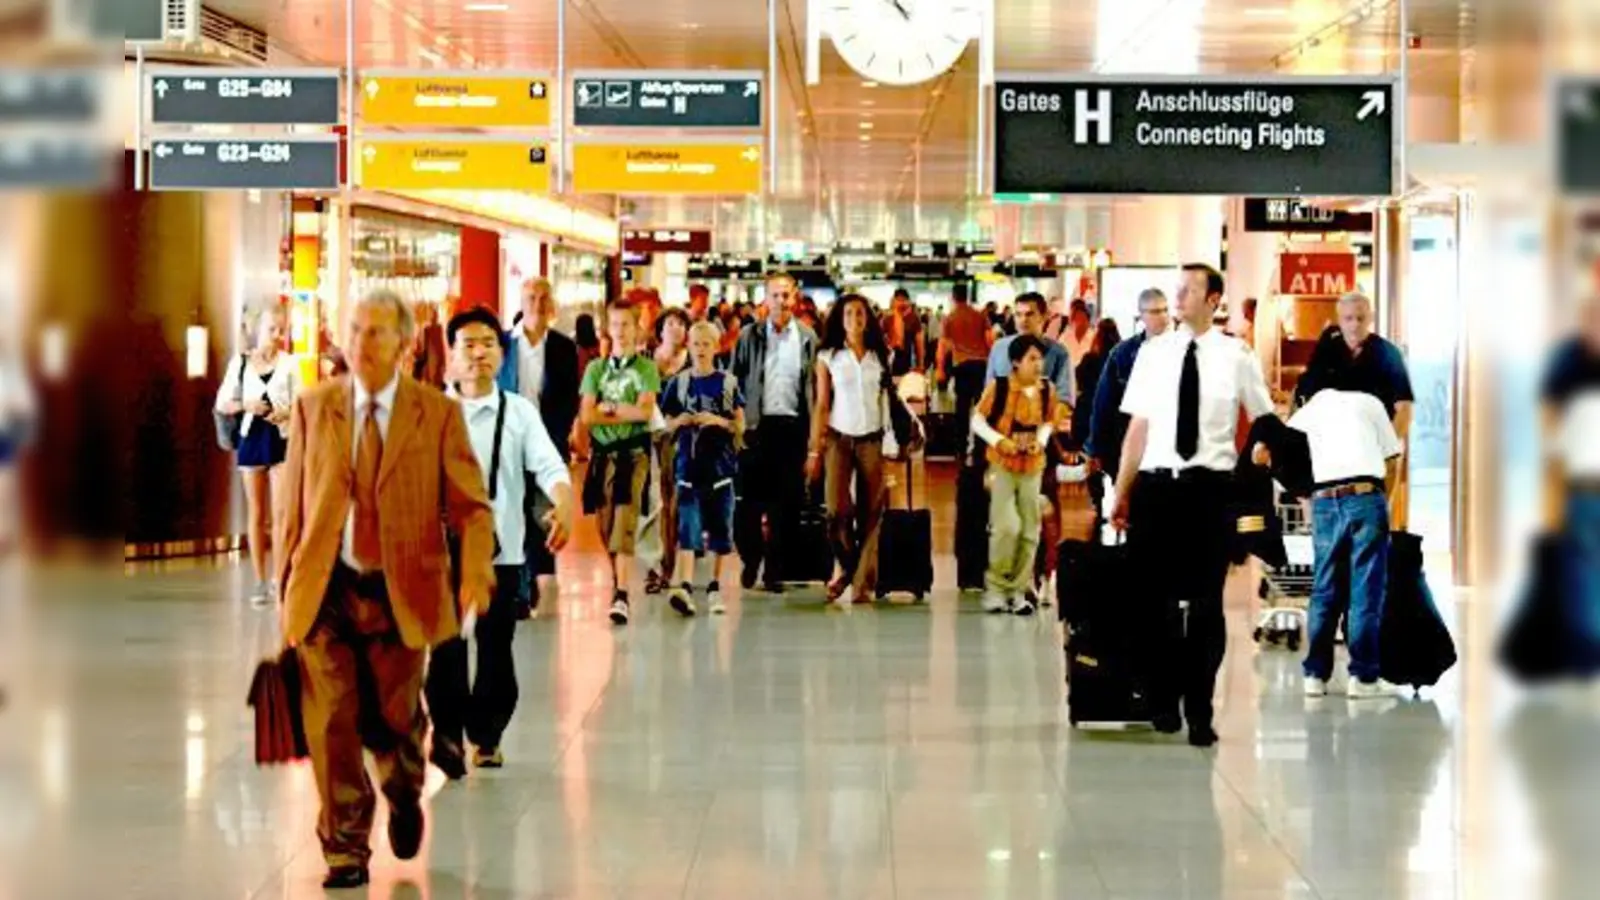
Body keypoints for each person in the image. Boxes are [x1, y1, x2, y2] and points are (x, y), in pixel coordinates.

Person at [275, 289, 495, 890]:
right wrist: (285, 587)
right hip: (328, 589)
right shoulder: (314, 407)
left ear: (404, 343)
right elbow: (291, 509)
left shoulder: (436, 413)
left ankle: (403, 791)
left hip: (402, 590)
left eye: (375, 332)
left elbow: (472, 508)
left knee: (394, 721)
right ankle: (345, 848)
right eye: (354, 330)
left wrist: (476, 572)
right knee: (332, 723)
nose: (361, 343)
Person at [1111, 264, 1274, 748]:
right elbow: (1138, 429)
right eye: (1177, 288)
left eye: (1189, 290)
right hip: (1157, 488)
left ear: (1213, 299)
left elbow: (1263, 422)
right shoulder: (1153, 353)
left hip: (1210, 491)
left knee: (1206, 603)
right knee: (1155, 602)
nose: (1179, 296)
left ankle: (1200, 708)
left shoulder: (1236, 355)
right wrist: (1122, 490)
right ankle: (1162, 699)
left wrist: (1261, 469)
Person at [427, 308, 575, 776]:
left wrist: (564, 503)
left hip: (502, 551)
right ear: (451, 355)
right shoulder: (429, 413)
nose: (478, 353)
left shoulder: (519, 412)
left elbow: (549, 466)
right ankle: (447, 737)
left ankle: (487, 734)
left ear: (501, 353)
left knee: (495, 648)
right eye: (468, 344)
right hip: (440, 553)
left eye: (488, 343)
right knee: (445, 650)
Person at [1256, 385, 1403, 698]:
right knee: (1365, 591)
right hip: (1365, 495)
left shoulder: (1304, 414)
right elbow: (1392, 460)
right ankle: (1363, 679)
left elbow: (1270, 459)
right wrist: (1382, 505)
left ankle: (1315, 676)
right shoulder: (1370, 401)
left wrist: (1304, 493)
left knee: (1324, 590)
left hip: (1323, 500)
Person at [497, 277, 581, 618]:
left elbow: (569, 399)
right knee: (513, 512)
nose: (537, 303)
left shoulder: (563, 348)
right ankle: (522, 584)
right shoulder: (504, 345)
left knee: (541, 513)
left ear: (551, 305)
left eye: (544, 297)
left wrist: (553, 438)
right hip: (508, 443)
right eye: (531, 297)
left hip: (546, 442)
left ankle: (533, 574)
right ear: (521, 302)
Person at [730, 272, 819, 593]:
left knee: (786, 504)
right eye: (775, 295)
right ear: (766, 299)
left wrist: (813, 442)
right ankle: (751, 557)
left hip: (792, 428)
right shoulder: (749, 336)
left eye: (786, 295)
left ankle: (775, 569)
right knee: (748, 505)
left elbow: (814, 389)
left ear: (795, 298)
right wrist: (737, 424)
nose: (781, 301)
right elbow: (734, 381)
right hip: (756, 427)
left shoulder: (808, 338)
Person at [807, 294, 892, 608]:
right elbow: (822, 404)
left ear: (867, 319)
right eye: (848, 314)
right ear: (839, 320)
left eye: (860, 313)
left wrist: (892, 444)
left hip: (872, 439)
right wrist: (814, 449)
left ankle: (862, 584)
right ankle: (848, 566)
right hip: (838, 438)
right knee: (835, 510)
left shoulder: (881, 355)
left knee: (872, 512)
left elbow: (887, 400)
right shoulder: (828, 355)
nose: (854, 319)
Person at [579, 300, 661, 625]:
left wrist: (608, 408)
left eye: (626, 324)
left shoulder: (646, 369)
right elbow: (587, 415)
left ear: (636, 328)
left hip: (634, 454)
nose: (621, 331)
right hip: (602, 455)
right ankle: (618, 580)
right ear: (607, 329)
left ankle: (622, 594)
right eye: (615, 324)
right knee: (605, 524)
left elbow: (644, 411)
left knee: (625, 519)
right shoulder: (596, 369)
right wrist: (622, 410)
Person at [659, 321, 746, 616]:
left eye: (706, 344)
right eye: (696, 344)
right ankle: (684, 585)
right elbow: (663, 423)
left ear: (716, 347)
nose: (700, 349)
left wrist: (717, 421)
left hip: (720, 469)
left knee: (721, 531)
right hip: (688, 467)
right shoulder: (679, 383)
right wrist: (678, 422)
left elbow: (740, 425)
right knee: (688, 527)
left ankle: (714, 586)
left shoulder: (728, 383)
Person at [971, 335, 1062, 616]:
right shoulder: (998, 387)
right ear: (1016, 362)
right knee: (1006, 526)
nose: (1038, 364)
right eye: (1031, 358)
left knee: (1030, 529)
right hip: (1002, 465)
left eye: (1040, 358)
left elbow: (1049, 421)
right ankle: (997, 588)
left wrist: (1041, 442)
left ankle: (1019, 591)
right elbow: (977, 420)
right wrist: (999, 441)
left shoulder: (1047, 390)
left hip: (1033, 467)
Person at [215, 303, 297, 607]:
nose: (276, 335)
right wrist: (247, 405)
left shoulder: (289, 363)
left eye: (281, 330)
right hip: (251, 438)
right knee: (257, 513)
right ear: (258, 330)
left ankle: (279, 578)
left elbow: (300, 403)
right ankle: (261, 581)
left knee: (281, 514)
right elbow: (223, 403)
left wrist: (284, 412)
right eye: (271, 329)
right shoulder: (240, 363)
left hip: (280, 437)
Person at [1540, 296, 1600, 676]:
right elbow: (1550, 424)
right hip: (1583, 488)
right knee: (1583, 574)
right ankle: (1586, 654)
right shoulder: (1568, 360)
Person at [1087, 288, 1171, 488]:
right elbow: (1104, 403)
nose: (1161, 317)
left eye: (1164, 310)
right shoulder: (1123, 354)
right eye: (1154, 312)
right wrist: (1096, 448)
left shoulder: (1184, 349)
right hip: (1129, 442)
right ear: (1142, 315)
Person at [645, 308, 692, 595]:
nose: (675, 328)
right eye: (670, 323)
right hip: (649, 437)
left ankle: (668, 566)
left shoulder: (692, 361)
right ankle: (652, 567)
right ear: (660, 329)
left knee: (673, 504)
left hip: (681, 439)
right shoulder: (646, 361)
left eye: (680, 324)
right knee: (653, 502)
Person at [986, 292, 1076, 411]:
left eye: (1030, 314)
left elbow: (1065, 397)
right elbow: (989, 390)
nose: (1023, 320)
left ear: (1043, 316)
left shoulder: (1058, 353)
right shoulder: (999, 348)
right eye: (1018, 315)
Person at [935, 282, 995, 448]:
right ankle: (980, 444)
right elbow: (990, 341)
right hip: (981, 365)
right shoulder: (980, 316)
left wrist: (940, 369)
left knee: (962, 405)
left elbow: (943, 346)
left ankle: (961, 444)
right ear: (967, 296)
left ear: (953, 297)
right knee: (981, 406)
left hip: (961, 366)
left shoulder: (949, 318)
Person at [410, 302, 448, 390]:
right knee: (431, 376)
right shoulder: (427, 329)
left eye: (435, 315)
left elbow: (440, 345)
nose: (434, 317)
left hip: (435, 356)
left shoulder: (439, 328)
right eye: (433, 315)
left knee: (435, 375)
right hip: (430, 356)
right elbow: (424, 345)